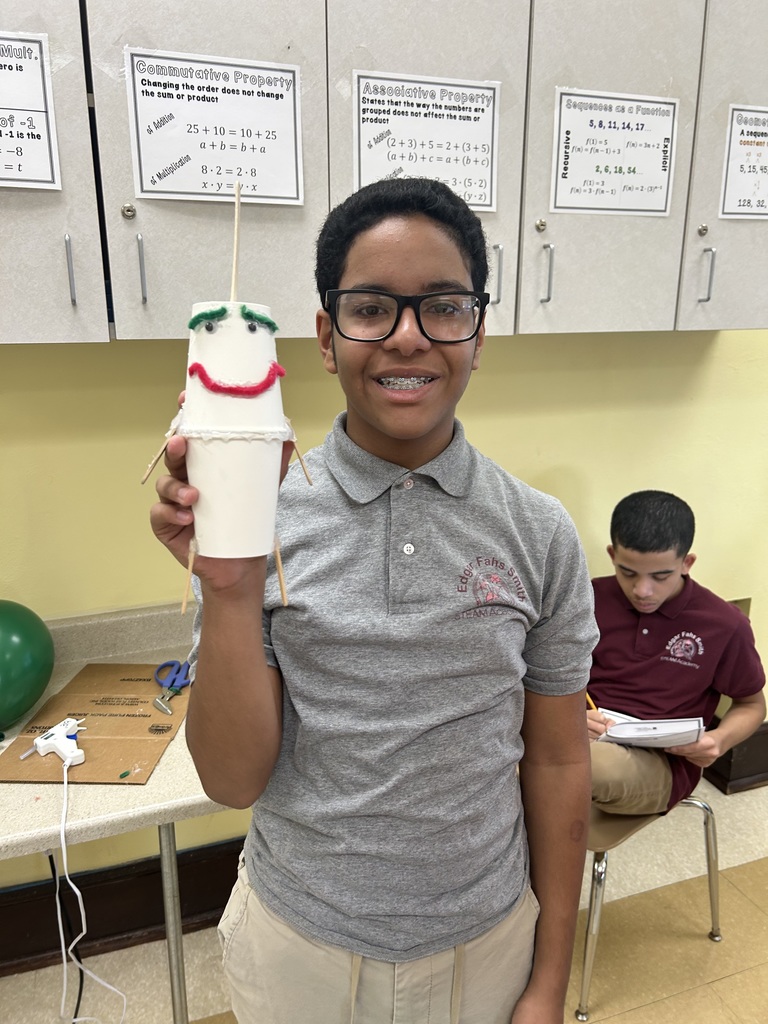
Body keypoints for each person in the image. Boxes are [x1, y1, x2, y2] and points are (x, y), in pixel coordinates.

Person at [151, 177, 599, 1024]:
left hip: (490, 943)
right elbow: (231, 778)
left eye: (443, 307)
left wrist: (549, 979)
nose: (406, 338)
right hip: (299, 949)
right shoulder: (258, 524)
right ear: (325, 336)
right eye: (370, 308)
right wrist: (231, 586)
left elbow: (558, 761)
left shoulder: (539, 533)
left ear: (478, 332)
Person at [587, 490, 766, 815]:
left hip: (663, 763)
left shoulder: (724, 624)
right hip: (583, 736)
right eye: (627, 572)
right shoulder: (586, 597)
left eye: (661, 576)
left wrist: (720, 739)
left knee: (568, 765)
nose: (642, 591)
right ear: (612, 555)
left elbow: (752, 704)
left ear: (687, 563)